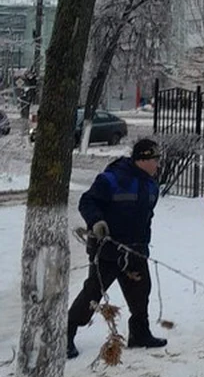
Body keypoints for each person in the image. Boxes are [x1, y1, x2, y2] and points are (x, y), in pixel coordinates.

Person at [67, 138, 166, 359]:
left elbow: (145, 219)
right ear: (142, 159)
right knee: (92, 293)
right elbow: (87, 202)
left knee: (141, 292)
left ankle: (140, 334)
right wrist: (97, 222)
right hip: (107, 250)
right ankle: (66, 334)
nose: (157, 165)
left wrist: (142, 246)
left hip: (135, 250)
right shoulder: (112, 179)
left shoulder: (151, 185)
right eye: (154, 160)